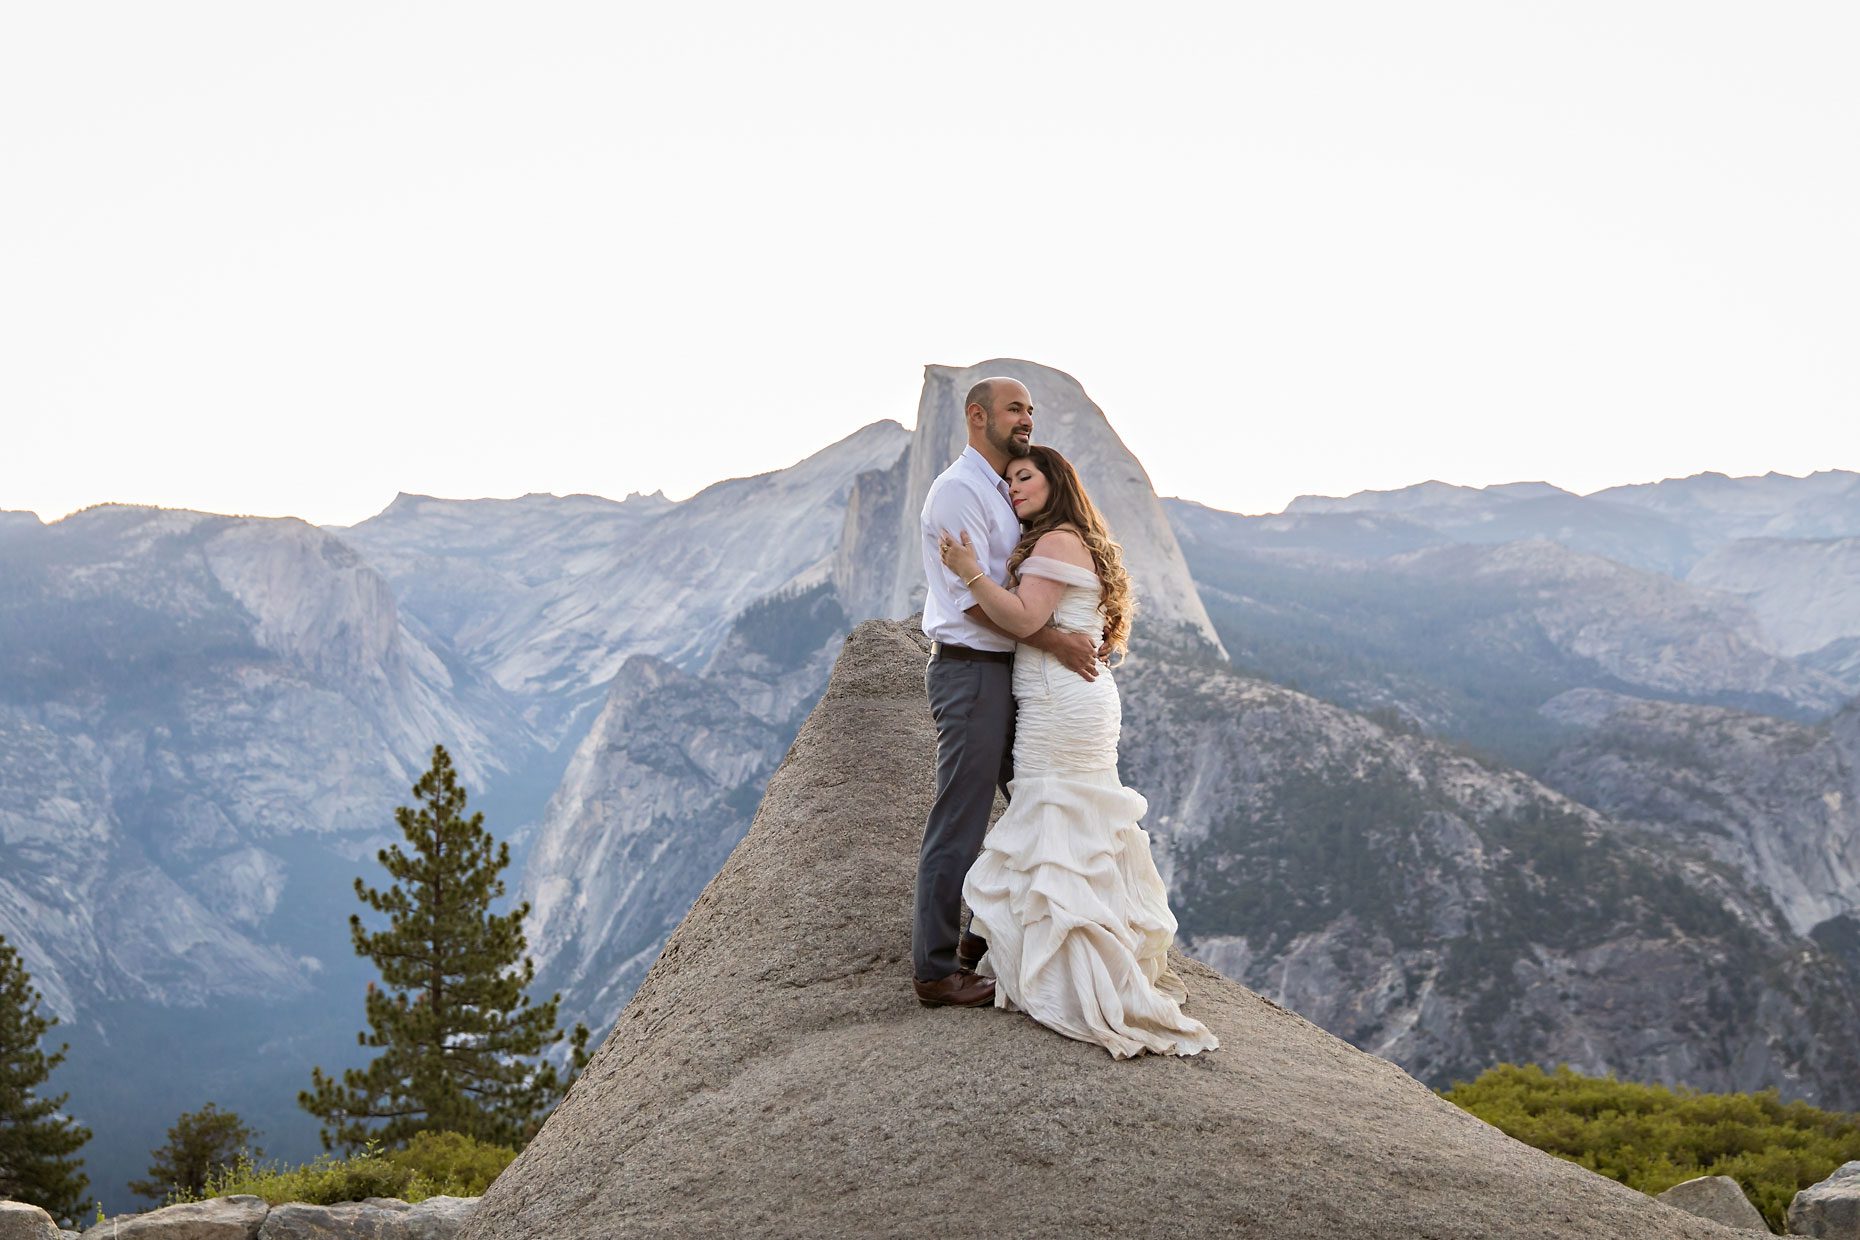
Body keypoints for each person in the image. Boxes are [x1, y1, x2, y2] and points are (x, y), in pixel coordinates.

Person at [937, 444, 1218, 1058]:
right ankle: (1057, 944)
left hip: (1060, 704)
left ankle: (1071, 966)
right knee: (1072, 820)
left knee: (1053, 817)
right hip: (1074, 699)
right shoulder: (1069, 538)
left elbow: (1020, 616)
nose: (1014, 489)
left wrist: (969, 572)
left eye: (1025, 477)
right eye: (1009, 481)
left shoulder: (1055, 542)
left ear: (1056, 481)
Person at [912, 377, 1103, 1008]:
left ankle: (984, 940)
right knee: (961, 821)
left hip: (1010, 675)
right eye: (1015, 409)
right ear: (977, 417)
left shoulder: (1001, 490)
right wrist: (1055, 641)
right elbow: (972, 605)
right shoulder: (959, 493)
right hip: (972, 671)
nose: (1027, 418)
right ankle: (937, 970)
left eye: (1030, 410)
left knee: (1032, 806)